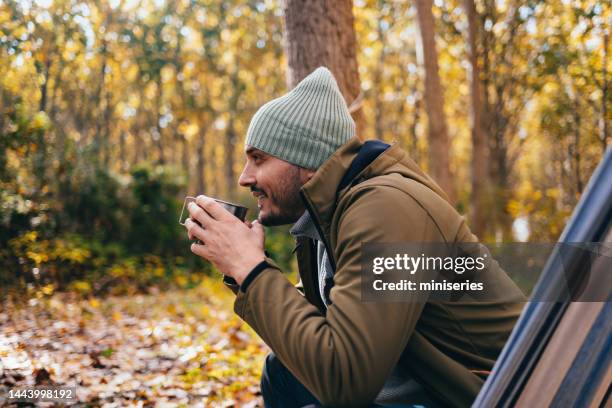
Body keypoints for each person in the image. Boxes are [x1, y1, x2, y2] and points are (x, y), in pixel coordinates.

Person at [183, 67, 525, 408]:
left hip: (497, 396)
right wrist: (240, 268)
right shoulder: (325, 220)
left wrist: (251, 269)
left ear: (306, 159)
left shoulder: (384, 206)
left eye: (259, 159)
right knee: (282, 373)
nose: (245, 178)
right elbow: (318, 336)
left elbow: (345, 380)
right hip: (431, 384)